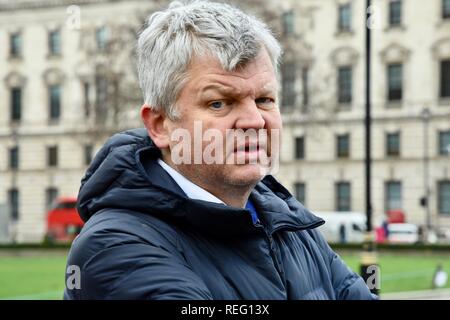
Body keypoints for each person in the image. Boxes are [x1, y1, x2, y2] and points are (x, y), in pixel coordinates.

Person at [64, 0, 377, 300]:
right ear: (160, 124)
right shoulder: (115, 247)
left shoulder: (290, 225)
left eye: (265, 99)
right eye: (219, 103)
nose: (254, 120)